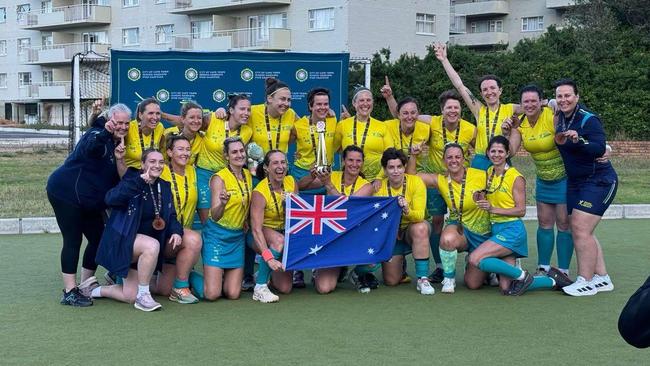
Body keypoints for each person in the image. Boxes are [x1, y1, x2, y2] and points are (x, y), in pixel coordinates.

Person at [46, 103, 130, 306]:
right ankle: (69, 291)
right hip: (65, 193)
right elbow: (91, 145)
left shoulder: (117, 141)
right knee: (73, 240)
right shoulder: (96, 134)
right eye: (119, 122)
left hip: (89, 200)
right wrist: (104, 133)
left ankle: (85, 284)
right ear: (110, 120)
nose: (123, 127)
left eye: (127, 123)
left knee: (99, 239)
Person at [469, 136, 568, 295]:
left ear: (507, 153)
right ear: (487, 153)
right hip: (496, 229)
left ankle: (523, 276)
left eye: (500, 151)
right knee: (506, 288)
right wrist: (478, 197)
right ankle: (554, 280)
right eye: (493, 151)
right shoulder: (489, 172)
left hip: (512, 230)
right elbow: (488, 195)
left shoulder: (516, 177)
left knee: (475, 258)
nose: (496, 154)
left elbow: (521, 210)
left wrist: (492, 209)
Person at [94, 149, 183, 311]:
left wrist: (176, 231)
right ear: (142, 164)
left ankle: (95, 290)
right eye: (152, 161)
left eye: (161, 162)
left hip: (144, 250)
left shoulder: (164, 186)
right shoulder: (132, 179)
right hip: (124, 242)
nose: (157, 165)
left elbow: (171, 216)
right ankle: (144, 295)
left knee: (129, 296)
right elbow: (110, 199)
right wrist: (139, 182)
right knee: (152, 245)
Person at [553, 79, 618, 296]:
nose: (563, 100)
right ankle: (602, 278)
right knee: (582, 229)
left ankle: (585, 281)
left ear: (577, 97)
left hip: (599, 180)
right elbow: (543, 101)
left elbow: (600, 147)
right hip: (575, 182)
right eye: (560, 96)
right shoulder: (557, 113)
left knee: (580, 227)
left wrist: (579, 140)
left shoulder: (589, 120)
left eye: (568, 96)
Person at [501, 85, 573, 277]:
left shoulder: (551, 114)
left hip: (565, 178)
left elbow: (570, 123)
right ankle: (544, 267)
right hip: (543, 180)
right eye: (526, 101)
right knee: (544, 223)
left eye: (534, 100)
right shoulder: (521, 123)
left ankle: (564, 270)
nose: (530, 104)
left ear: (541, 101)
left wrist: (555, 104)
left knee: (564, 224)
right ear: (521, 104)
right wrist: (507, 132)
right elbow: (511, 151)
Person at [408, 143, 490, 294]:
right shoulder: (441, 180)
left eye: (458, 157)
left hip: (483, 232)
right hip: (459, 228)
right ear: (443, 161)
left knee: (473, 284)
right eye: (450, 157)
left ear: (464, 159)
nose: (454, 161)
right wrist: (413, 155)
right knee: (446, 239)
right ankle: (449, 278)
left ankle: (479, 264)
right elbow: (412, 177)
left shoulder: (481, 175)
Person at [301, 145, 374, 294]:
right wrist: (312, 175)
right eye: (350, 160)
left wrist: (328, 184)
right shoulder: (333, 175)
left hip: (353, 235)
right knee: (324, 288)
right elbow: (299, 187)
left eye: (358, 161)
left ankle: (357, 272)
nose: (354, 164)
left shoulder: (367, 186)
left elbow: (347, 208)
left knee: (375, 254)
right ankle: (334, 268)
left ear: (363, 163)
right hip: (330, 237)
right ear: (343, 161)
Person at [433, 43, 517, 170]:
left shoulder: (511, 108)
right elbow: (460, 86)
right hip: (481, 160)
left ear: (500, 90)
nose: (489, 92)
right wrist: (444, 60)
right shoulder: (479, 109)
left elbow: (532, 105)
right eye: (485, 89)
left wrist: (549, 103)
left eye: (493, 88)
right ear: (481, 94)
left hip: (501, 159)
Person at [190, 137, 253, 301]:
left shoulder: (248, 174)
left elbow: (246, 201)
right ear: (226, 156)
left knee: (233, 294)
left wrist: (245, 219)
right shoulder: (219, 178)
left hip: (237, 237)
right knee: (212, 295)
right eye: (234, 152)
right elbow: (216, 216)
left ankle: (219, 277)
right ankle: (189, 276)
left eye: (241, 151)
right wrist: (223, 204)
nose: (239, 155)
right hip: (216, 236)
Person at [374, 148, 434, 295]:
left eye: (399, 167)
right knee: (391, 281)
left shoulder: (416, 182)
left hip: (410, 229)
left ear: (404, 167)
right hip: (390, 235)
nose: (396, 171)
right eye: (391, 167)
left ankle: (422, 278)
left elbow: (419, 215)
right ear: (385, 169)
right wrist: (389, 231)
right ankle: (401, 265)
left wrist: (406, 209)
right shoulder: (378, 187)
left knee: (420, 228)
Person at [154, 135, 202, 304]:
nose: (185, 153)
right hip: (163, 235)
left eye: (188, 149)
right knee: (194, 239)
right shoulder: (161, 170)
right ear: (169, 152)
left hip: (180, 238)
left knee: (163, 290)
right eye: (180, 149)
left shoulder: (193, 171)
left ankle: (183, 277)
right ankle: (181, 286)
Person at [249, 150, 298, 303]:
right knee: (278, 240)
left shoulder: (291, 182)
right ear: (266, 168)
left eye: (283, 162)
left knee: (285, 288)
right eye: (275, 163)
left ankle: (264, 271)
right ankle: (260, 287)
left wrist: (288, 206)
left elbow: (298, 214)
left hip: (285, 233)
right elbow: (256, 229)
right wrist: (268, 257)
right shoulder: (260, 192)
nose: (280, 166)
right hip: (260, 234)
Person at [334, 86, 394, 181]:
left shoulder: (382, 126)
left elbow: (390, 156)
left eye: (368, 100)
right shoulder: (342, 125)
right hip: (349, 179)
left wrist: (379, 178)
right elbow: (334, 149)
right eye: (361, 100)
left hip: (376, 181)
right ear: (354, 103)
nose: (365, 104)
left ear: (372, 103)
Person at [293, 87, 337, 195]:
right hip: (303, 173)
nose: (323, 107)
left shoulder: (334, 121)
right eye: (319, 104)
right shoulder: (298, 125)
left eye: (325, 104)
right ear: (310, 106)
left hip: (326, 173)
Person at [124, 98, 165, 169]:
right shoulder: (129, 128)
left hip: (152, 174)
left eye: (158, 113)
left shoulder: (160, 127)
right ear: (140, 115)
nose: (155, 117)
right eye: (151, 113)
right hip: (130, 175)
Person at [160, 101, 205, 166]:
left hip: (186, 174)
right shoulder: (168, 134)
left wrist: (220, 110)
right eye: (192, 117)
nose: (196, 121)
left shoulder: (201, 139)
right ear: (183, 119)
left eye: (199, 118)